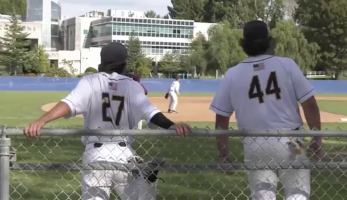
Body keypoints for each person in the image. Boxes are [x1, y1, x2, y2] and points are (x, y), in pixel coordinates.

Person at [24, 42, 191, 200]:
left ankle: (147, 180)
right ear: (125, 63)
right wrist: (172, 125)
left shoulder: (90, 82)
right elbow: (153, 114)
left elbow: (68, 104)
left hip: (96, 154)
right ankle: (148, 181)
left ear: (102, 62)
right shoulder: (133, 86)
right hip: (124, 153)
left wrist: (42, 121)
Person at [209, 20, 322, 200]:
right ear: (269, 41)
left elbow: (221, 119)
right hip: (292, 139)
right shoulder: (287, 65)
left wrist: (223, 154)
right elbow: (310, 105)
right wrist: (317, 139)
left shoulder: (233, 74)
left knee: (262, 196)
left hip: (254, 143)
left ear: (244, 43)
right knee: (298, 193)